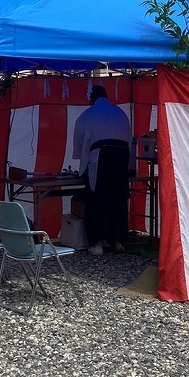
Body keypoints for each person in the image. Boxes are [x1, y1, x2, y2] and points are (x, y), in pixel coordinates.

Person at [72, 83, 133, 255]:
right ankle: (117, 240)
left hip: (101, 155)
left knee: (98, 197)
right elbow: (129, 138)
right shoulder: (120, 113)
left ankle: (97, 242)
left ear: (92, 99)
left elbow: (79, 142)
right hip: (121, 155)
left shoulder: (88, 114)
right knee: (117, 196)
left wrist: (82, 164)